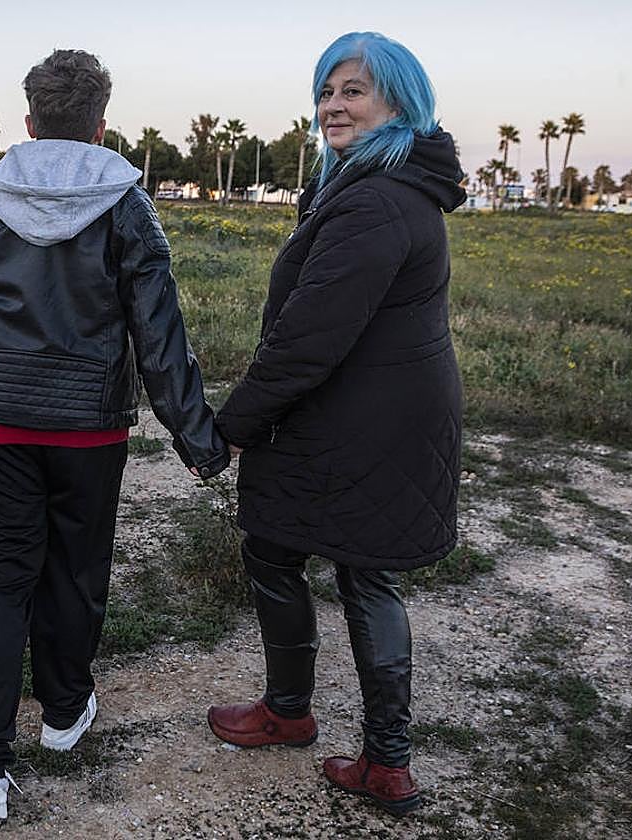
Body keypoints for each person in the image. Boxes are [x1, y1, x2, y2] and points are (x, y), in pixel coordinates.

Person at [0, 48, 229, 821]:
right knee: (74, 573)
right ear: (102, 127)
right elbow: (160, 334)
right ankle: (66, 714)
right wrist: (198, 439)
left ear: (29, 121)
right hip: (87, 432)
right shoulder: (127, 205)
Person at [207, 31, 466, 817]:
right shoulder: (370, 185)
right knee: (275, 546)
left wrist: (234, 426)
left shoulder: (379, 198)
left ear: (399, 100)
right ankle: (290, 711)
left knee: (364, 569)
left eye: (352, 90)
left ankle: (386, 762)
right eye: (326, 91)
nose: (332, 106)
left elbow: (308, 337)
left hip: (366, 418)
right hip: (354, 410)